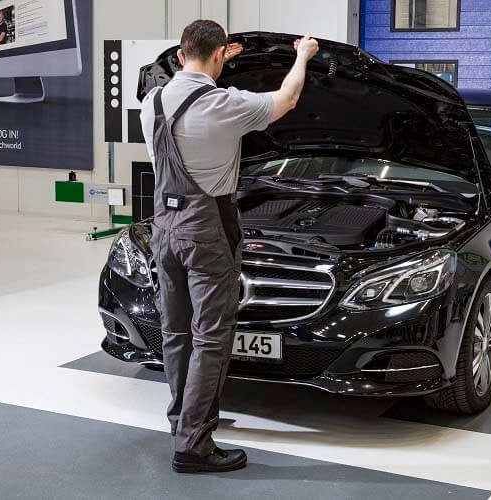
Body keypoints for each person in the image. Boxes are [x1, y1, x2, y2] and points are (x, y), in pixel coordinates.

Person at [140, 20, 318, 473]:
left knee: (176, 332)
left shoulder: (151, 103)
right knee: (211, 338)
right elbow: (288, 99)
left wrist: (216, 60)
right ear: (220, 55)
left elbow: (185, 89)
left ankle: (182, 419)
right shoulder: (225, 104)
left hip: (164, 227)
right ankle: (194, 446)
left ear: (181, 55)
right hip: (207, 230)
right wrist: (301, 56)